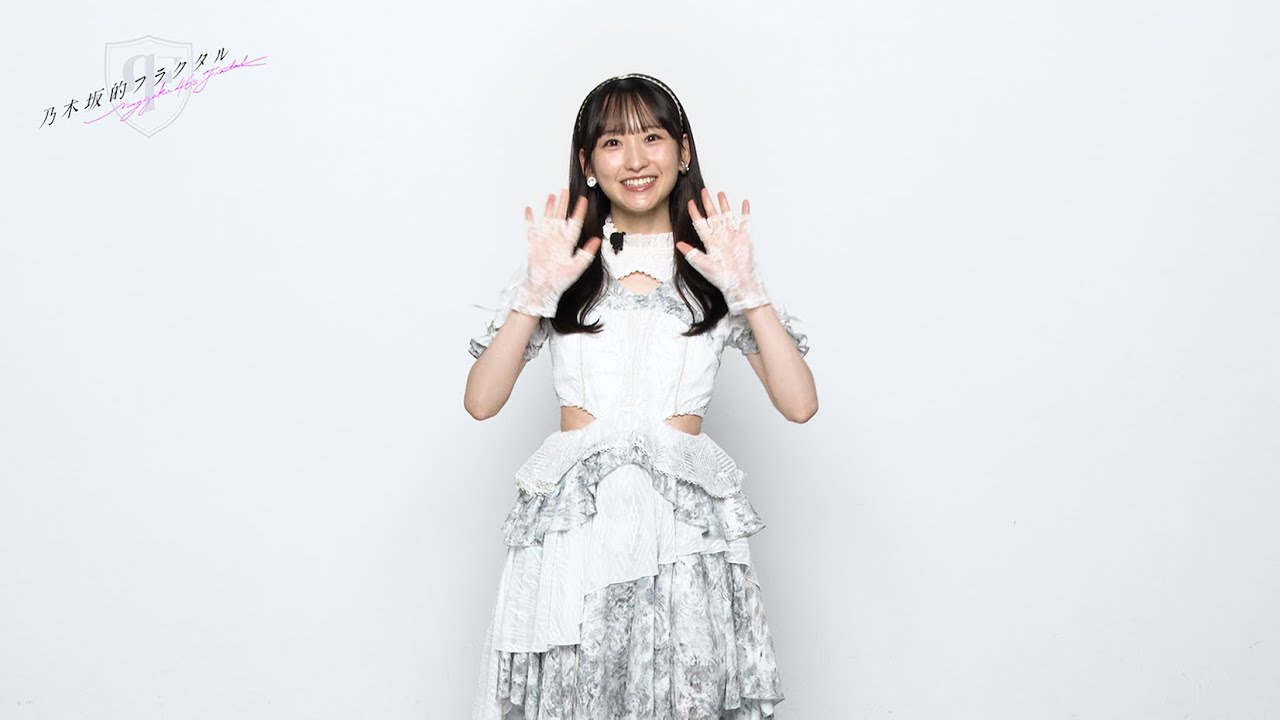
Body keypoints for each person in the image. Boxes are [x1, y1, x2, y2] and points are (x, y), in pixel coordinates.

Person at [465, 73, 818, 720]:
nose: (634, 160)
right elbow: (482, 401)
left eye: (652, 138)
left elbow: (799, 404)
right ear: (587, 162)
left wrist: (748, 290)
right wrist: (534, 295)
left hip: (681, 538)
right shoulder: (561, 264)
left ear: (683, 152)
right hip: (576, 531)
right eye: (612, 142)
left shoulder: (718, 266)